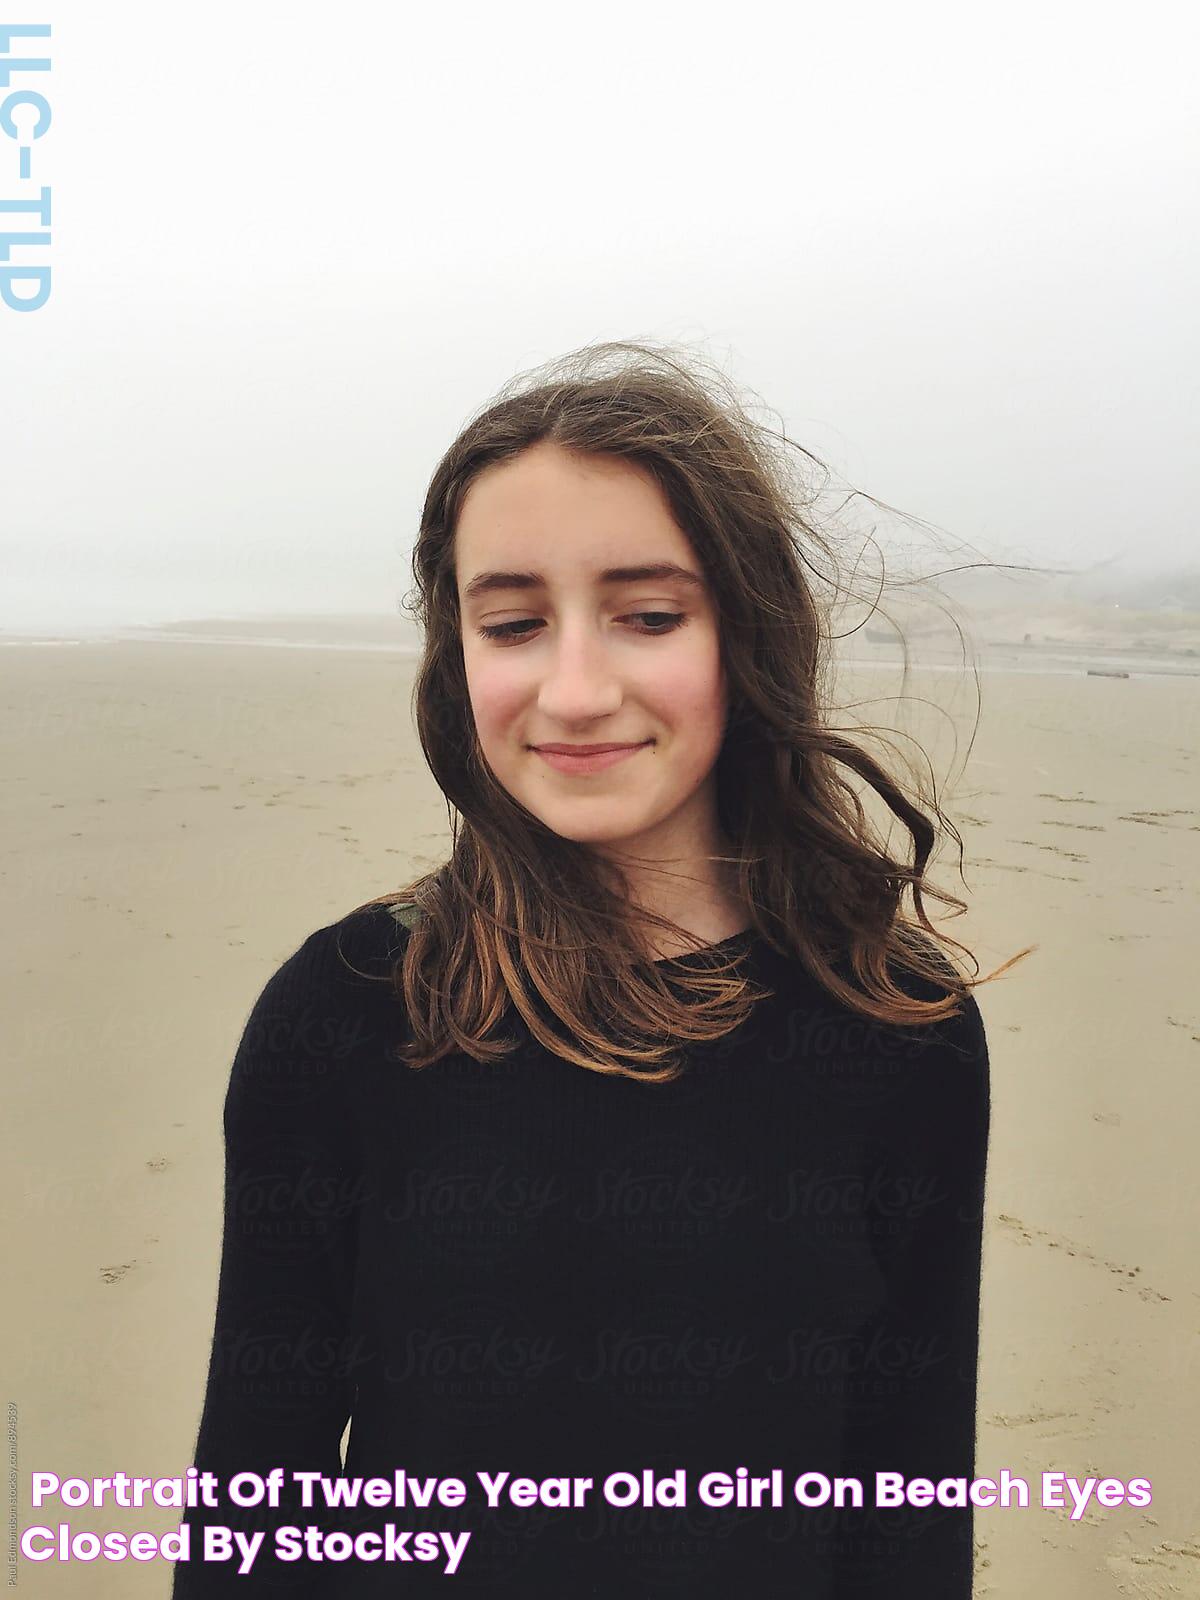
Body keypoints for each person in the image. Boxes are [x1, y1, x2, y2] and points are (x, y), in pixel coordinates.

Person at [171, 340, 1024, 1599]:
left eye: (648, 615)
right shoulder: (344, 1013)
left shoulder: (898, 1027)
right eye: (513, 623)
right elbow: (261, 1496)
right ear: (455, 654)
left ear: (750, 625)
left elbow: (906, 1501)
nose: (573, 690)